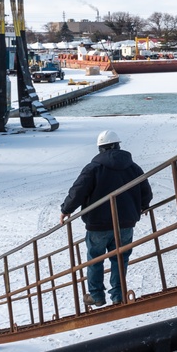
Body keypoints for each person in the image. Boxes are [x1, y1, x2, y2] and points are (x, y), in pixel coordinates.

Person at [60, 130, 153, 306]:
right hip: (125, 222)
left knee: (95, 258)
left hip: (98, 223)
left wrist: (66, 209)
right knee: (121, 257)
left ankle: (96, 295)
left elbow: (78, 190)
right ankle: (118, 295)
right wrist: (144, 205)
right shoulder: (133, 167)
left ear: (100, 149)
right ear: (118, 146)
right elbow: (145, 189)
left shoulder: (93, 168)